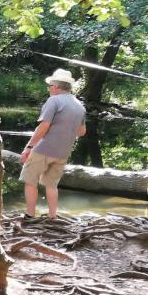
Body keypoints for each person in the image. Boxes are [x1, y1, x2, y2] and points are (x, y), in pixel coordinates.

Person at [20, 68, 86, 219]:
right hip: (62, 153)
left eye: (50, 86)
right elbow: (82, 132)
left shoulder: (53, 100)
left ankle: (30, 215)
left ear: (56, 87)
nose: (49, 89)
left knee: (30, 181)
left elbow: (43, 127)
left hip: (43, 149)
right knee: (51, 185)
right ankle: (52, 216)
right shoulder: (80, 106)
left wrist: (29, 147)